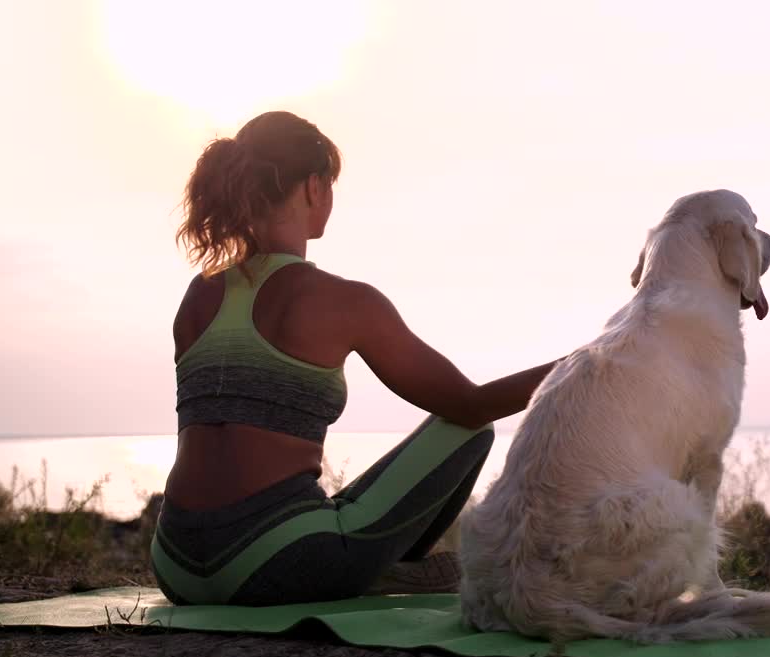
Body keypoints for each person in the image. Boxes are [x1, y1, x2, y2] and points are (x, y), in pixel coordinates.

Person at [152, 110, 563, 606]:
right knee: (468, 431)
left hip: (175, 564)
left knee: (320, 510)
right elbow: (470, 405)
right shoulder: (345, 301)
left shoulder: (200, 295)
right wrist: (593, 361)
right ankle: (382, 571)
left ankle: (368, 569)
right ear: (313, 187)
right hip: (274, 563)